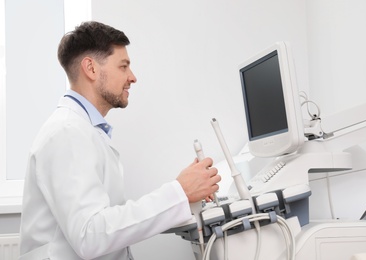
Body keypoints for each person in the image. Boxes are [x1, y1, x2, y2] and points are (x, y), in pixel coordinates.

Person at [19, 21, 221, 260]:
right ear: (91, 69)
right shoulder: (66, 132)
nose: (132, 77)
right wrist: (179, 192)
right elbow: (90, 236)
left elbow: (107, 224)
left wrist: (184, 196)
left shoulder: (84, 130)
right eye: (123, 66)